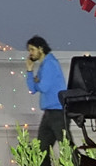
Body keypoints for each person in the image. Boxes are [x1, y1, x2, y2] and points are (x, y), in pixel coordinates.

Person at [24, 35, 67, 166]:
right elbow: (32, 89)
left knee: (66, 146)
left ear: (40, 49)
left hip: (58, 111)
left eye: (32, 49)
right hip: (49, 112)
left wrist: (37, 82)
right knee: (42, 149)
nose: (30, 53)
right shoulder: (43, 66)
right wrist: (30, 71)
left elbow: (43, 87)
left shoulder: (50, 63)